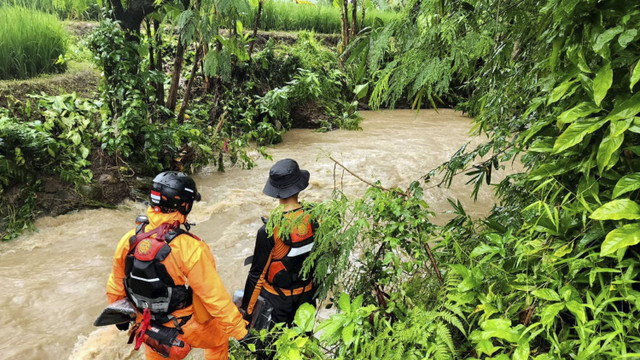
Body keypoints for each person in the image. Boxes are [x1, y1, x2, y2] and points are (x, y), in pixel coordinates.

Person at [106, 171, 248, 360]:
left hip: (148, 325)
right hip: (183, 325)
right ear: (185, 206)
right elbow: (215, 298)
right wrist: (242, 333)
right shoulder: (189, 247)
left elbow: (116, 282)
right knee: (219, 340)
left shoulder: (129, 240)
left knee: (155, 351)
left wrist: (119, 315)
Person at [241, 159, 318, 339]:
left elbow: (256, 275)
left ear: (276, 193)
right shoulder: (316, 218)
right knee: (303, 345)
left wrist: (246, 314)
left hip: (276, 304)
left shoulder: (269, 230)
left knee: (272, 349)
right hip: (306, 298)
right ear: (299, 188)